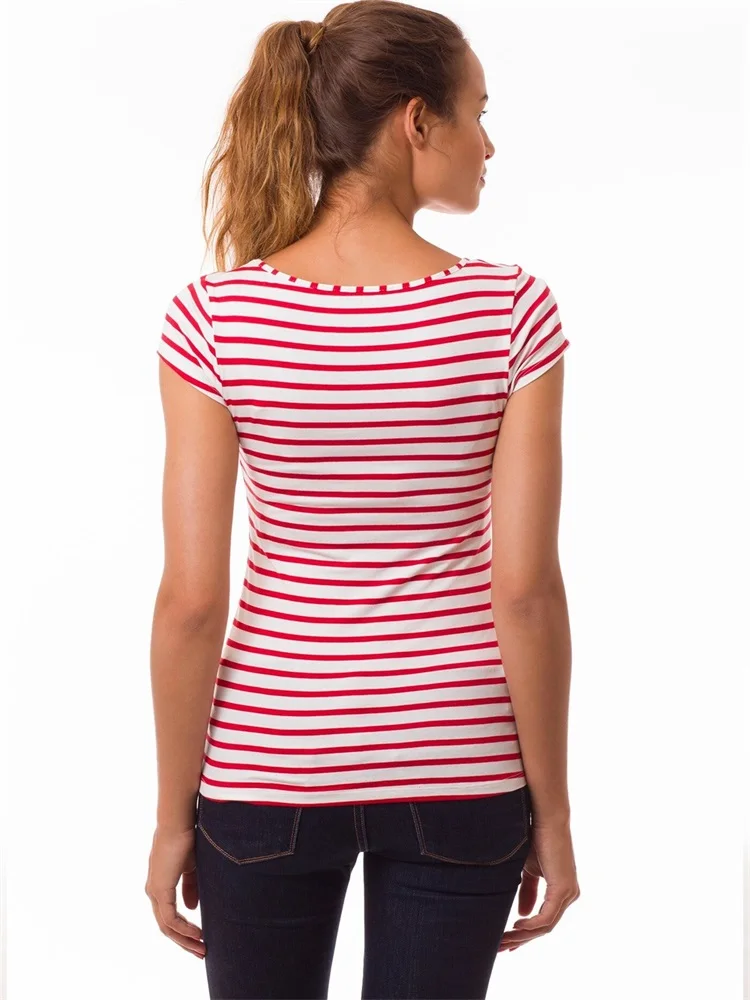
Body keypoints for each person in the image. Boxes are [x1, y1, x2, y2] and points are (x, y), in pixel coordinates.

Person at [145, 1, 580, 997]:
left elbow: (191, 601)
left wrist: (174, 816)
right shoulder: (511, 312)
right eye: (478, 112)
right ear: (416, 120)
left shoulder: (214, 319)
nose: (488, 144)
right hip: (458, 761)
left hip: (270, 761)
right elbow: (525, 591)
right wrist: (552, 811)